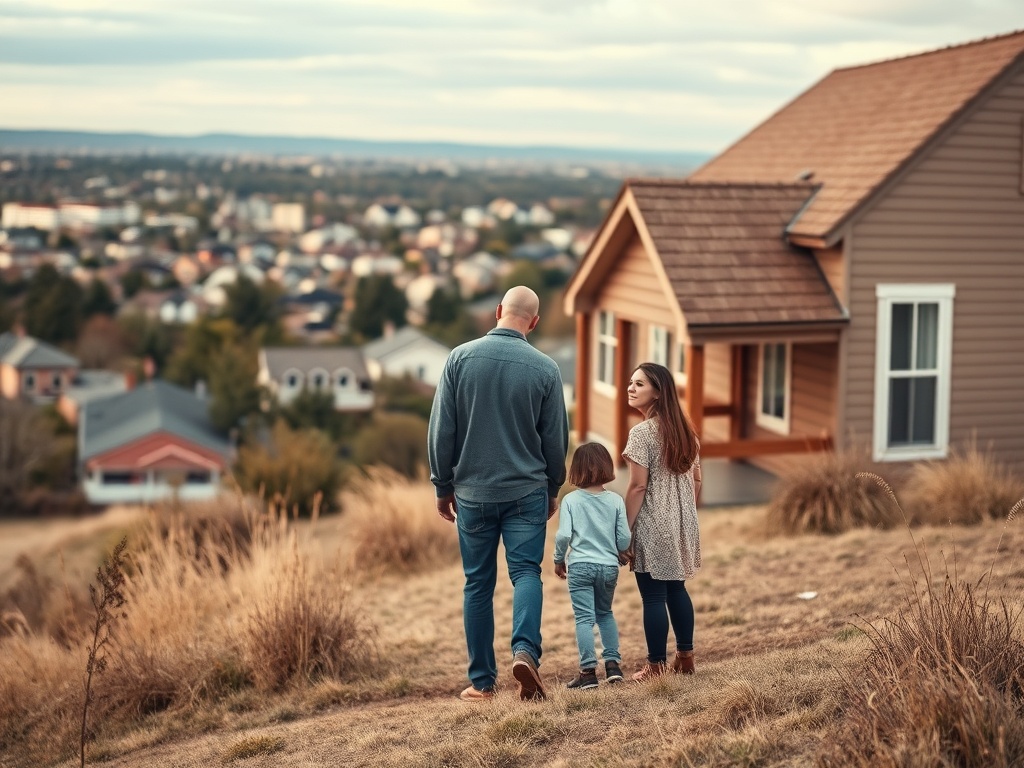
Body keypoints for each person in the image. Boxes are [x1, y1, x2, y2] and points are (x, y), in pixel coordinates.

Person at [428, 285, 569, 702]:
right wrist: (553, 487)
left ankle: (483, 684)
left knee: (478, 583)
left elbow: (442, 430)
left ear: (497, 312)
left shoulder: (459, 358)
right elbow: (555, 440)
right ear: (535, 322)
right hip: (527, 490)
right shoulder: (545, 369)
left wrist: (442, 485)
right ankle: (525, 652)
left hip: (472, 493)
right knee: (526, 573)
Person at [622, 362, 702, 681]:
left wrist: (623, 531)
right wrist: (682, 514)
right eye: (631, 382)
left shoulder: (642, 433)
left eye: (639, 384)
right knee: (677, 590)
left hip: (654, 524)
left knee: (653, 596)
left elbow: (638, 485)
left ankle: (655, 665)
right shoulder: (686, 431)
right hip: (683, 523)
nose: (631, 388)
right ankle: (685, 657)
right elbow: (697, 481)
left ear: (658, 392)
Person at [553, 442, 631, 690]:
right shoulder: (616, 501)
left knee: (584, 618)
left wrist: (558, 559)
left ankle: (587, 672)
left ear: (576, 469)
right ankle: (613, 666)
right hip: (608, 567)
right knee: (605, 613)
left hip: (581, 567)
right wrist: (620, 550)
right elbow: (625, 539)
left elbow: (564, 535)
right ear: (606, 466)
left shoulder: (570, 501)